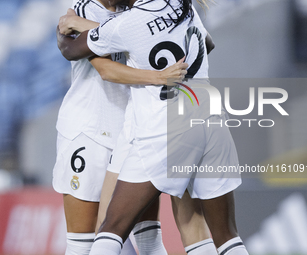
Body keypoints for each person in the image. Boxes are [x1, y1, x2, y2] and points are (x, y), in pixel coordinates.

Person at [57, 0, 250, 254]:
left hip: (157, 127)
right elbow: (207, 43)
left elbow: (77, 50)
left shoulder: (131, 19)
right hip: (205, 117)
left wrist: (157, 77)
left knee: (110, 228)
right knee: (220, 235)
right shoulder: (179, 6)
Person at [53, 1, 187, 255]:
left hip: (133, 131)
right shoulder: (83, 9)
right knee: (81, 243)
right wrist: (156, 77)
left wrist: (88, 27)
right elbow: (104, 68)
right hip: (88, 132)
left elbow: (134, 36)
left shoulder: (138, 8)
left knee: (148, 236)